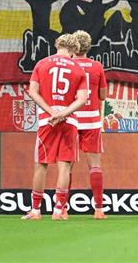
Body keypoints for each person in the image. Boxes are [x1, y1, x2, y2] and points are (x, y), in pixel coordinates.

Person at [21, 34, 89, 220]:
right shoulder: (78, 69)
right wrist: (63, 113)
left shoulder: (41, 64)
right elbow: (82, 99)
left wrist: (51, 112)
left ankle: (35, 210)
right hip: (69, 122)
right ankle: (59, 210)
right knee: (64, 166)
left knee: (41, 165)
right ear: (74, 50)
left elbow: (33, 92)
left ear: (57, 45)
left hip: (46, 120)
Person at [69, 30, 108, 220]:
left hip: (71, 118)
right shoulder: (96, 66)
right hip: (91, 119)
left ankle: (61, 208)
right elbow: (103, 95)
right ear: (89, 46)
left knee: (66, 165)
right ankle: (99, 209)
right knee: (94, 165)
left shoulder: (67, 65)